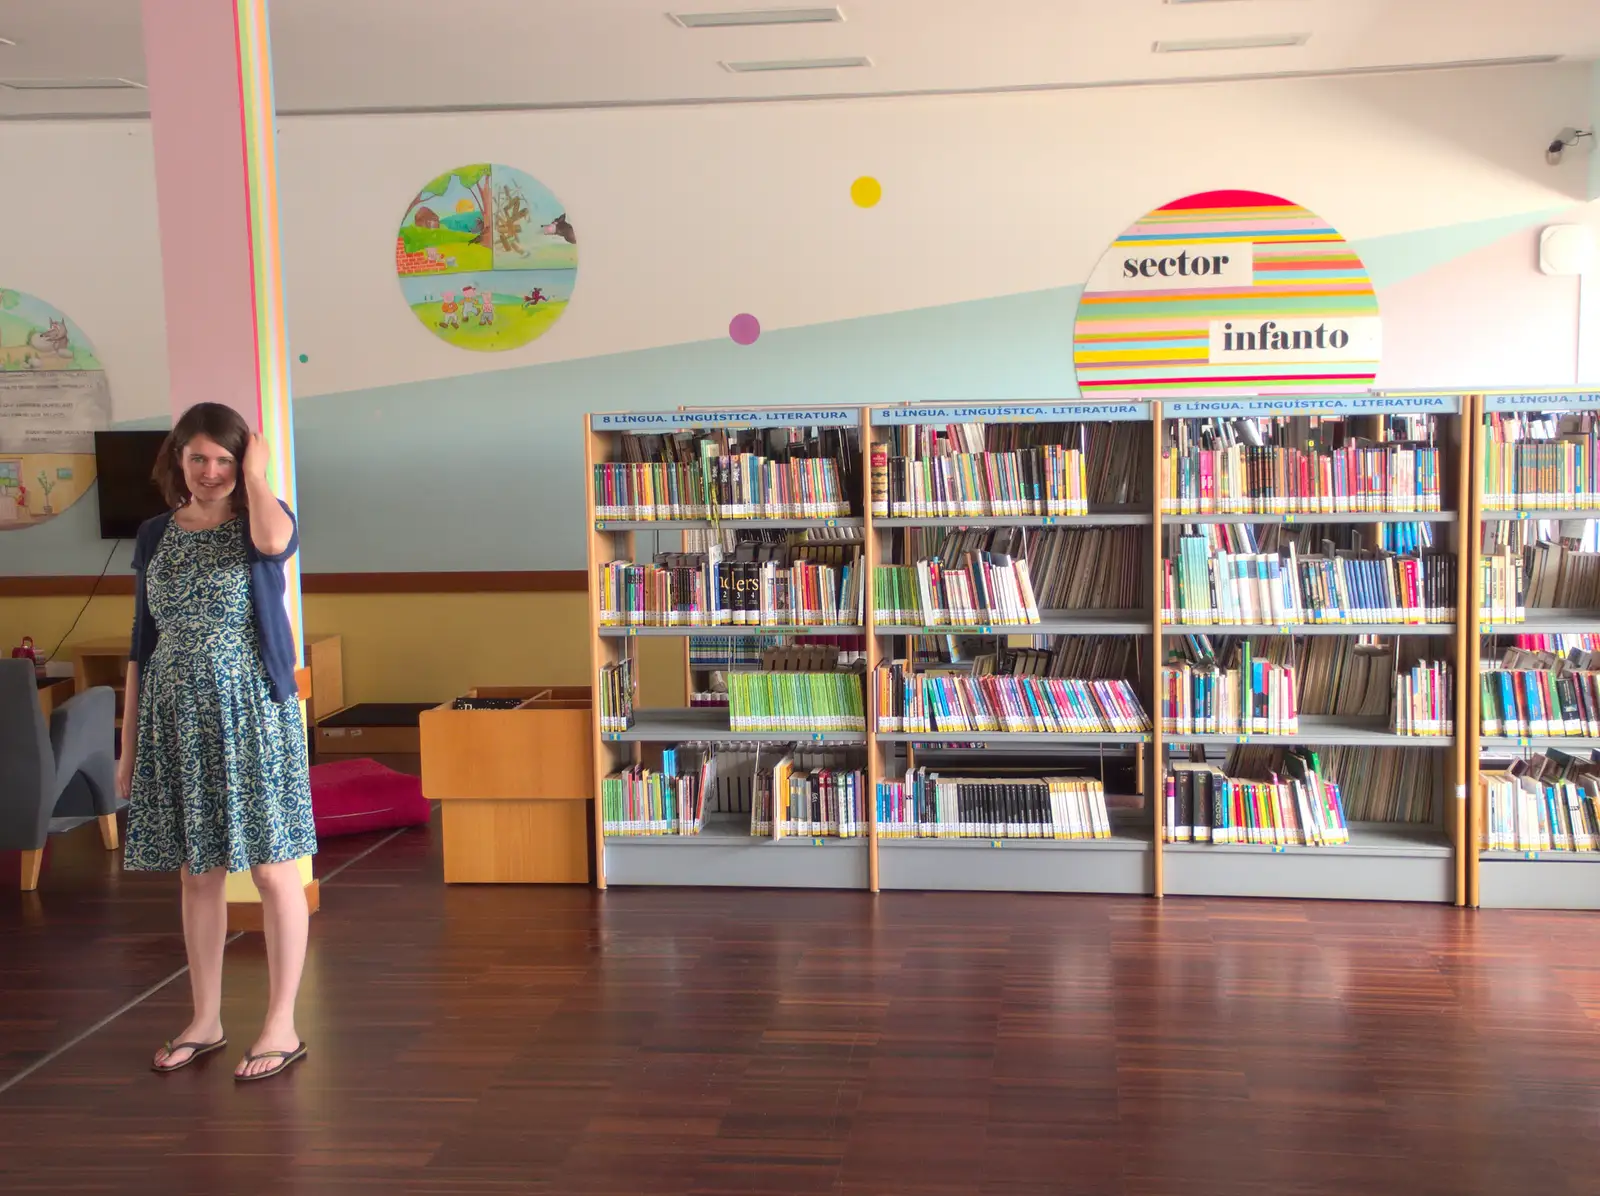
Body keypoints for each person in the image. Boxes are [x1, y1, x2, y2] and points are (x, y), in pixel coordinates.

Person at [117, 401, 317, 1082]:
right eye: (197, 457)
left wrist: (257, 474)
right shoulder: (152, 535)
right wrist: (127, 746)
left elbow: (271, 546)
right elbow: (141, 646)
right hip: (175, 713)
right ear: (177, 458)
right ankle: (205, 1019)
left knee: (269, 869)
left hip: (253, 712)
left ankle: (281, 1024)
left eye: (223, 459)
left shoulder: (263, 517)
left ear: (243, 461)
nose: (209, 471)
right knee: (197, 871)